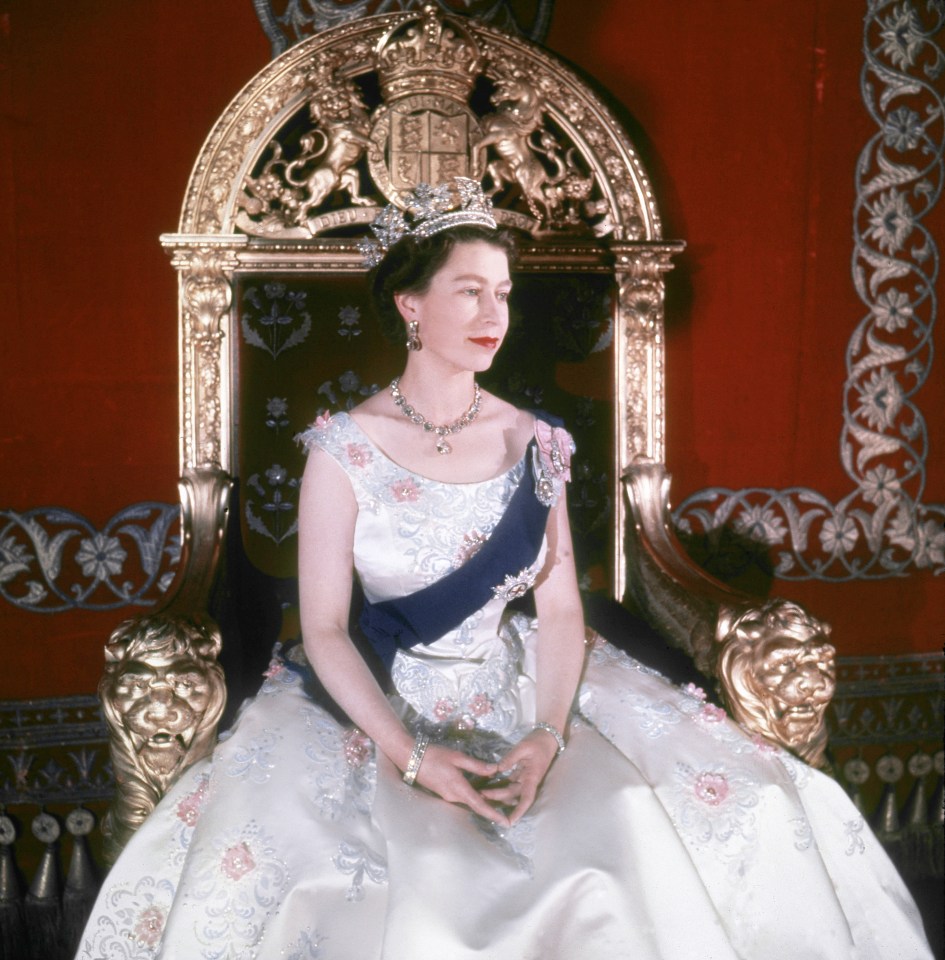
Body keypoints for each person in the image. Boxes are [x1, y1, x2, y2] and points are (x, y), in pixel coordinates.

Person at [76, 178, 934, 959]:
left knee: (659, 824)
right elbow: (328, 629)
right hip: (382, 700)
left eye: (504, 293)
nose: (495, 313)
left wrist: (545, 736)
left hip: (523, 686)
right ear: (411, 305)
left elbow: (561, 616)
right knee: (402, 896)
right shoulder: (342, 448)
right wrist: (412, 758)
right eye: (469, 290)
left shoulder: (535, 441)